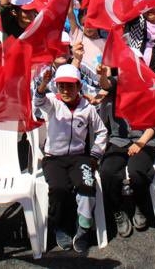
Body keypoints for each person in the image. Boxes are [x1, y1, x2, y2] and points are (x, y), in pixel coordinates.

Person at [34, 63, 108, 253]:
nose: (66, 90)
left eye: (70, 86)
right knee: (59, 189)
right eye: (61, 86)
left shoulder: (87, 108)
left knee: (86, 186)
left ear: (79, 86)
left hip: (79, 158)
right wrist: (43, 84)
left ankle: (83, 228)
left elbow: (101, 132)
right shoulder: (52, 102)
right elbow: (38, 101)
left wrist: (95, 155)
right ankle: (60, 226)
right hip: (54, 158)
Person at [96, 62, 155, 238]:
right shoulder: (116, 85)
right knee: (107, 171)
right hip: (119, 140)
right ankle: (118, 210)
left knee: (136, 171)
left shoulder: (149, 90)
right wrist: (102, 75)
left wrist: (141, 143)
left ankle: (140, 204)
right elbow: (106, 84)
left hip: (144, 140)